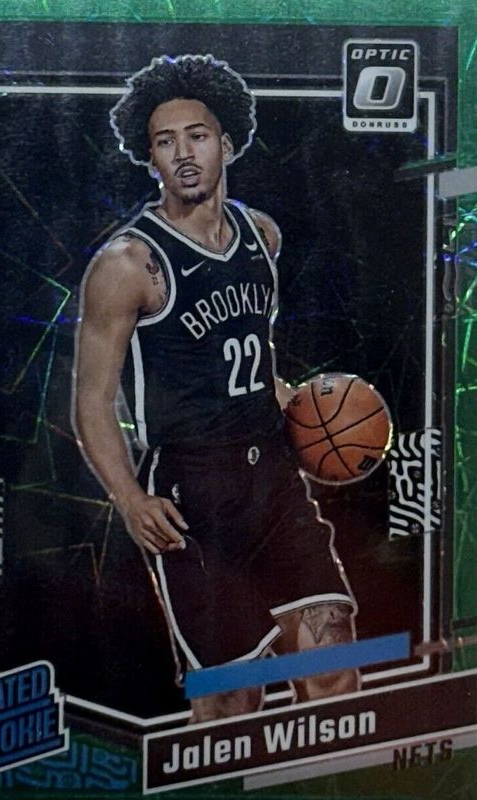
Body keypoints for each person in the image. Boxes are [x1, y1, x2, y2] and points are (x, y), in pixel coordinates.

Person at [73, 54, 359, 722]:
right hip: (191, 497)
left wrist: (309, 413)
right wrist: (128, 498)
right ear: (149, 158)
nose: (183, 154)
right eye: (164, 142)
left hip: (275, 483)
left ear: (226, 143)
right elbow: (91, 399)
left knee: (332, 668)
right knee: (231, 702)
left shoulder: (262, 235)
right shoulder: (128, 264)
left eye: (196, 136)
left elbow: (251, 360)